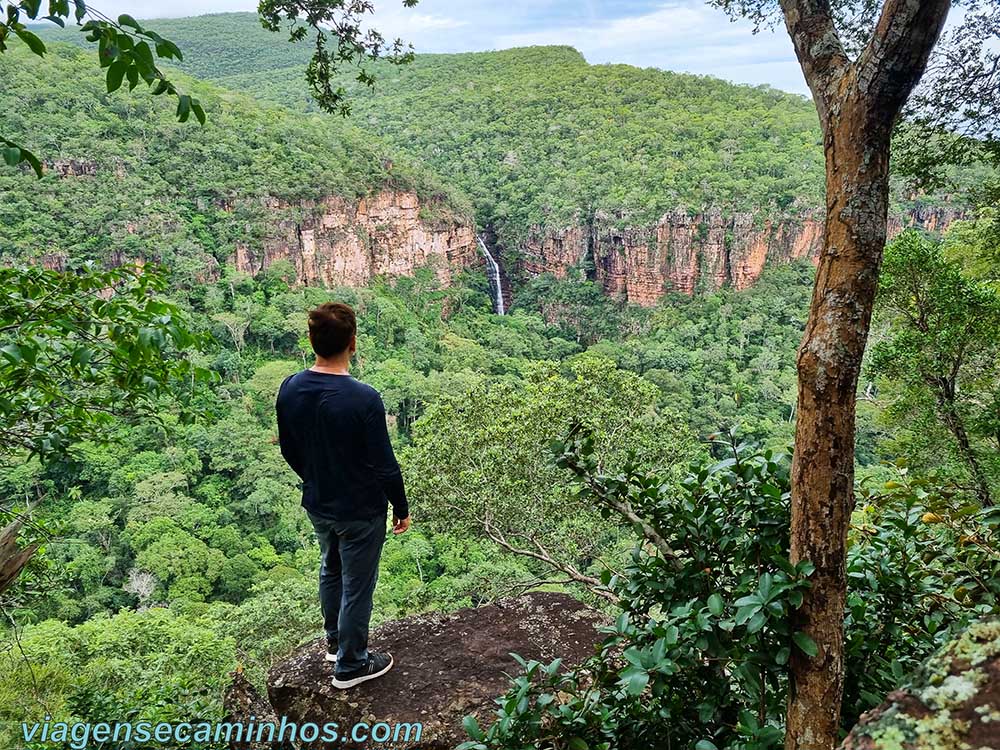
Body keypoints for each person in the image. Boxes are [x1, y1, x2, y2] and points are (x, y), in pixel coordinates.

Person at [275, 301, 411, 689]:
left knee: (330, 567)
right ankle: (350, 665)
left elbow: (289, 448)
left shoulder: (291, 386)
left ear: (312, 340)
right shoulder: (363, 397)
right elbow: (385, 465)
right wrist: (400, 508)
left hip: (318, 502)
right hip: (361, 508)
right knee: (358, 584)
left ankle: (336, 643)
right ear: (353, 343)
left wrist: (317, 478)